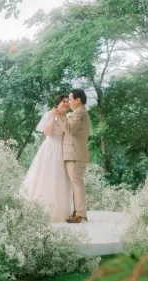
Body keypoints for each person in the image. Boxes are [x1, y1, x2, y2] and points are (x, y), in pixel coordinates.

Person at [21, 95, 73, 222]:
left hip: (62, 150)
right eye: (63, 102)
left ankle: (60, 210)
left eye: (67, 102)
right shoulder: (49, 114)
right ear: (57, 104)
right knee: (46, 176)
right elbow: (47, 133)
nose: (66, 104)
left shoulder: (66, 118)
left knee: (60, 178)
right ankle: (42, 209)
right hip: (49, 148)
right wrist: (55, 117)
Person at [52, 89, 91, 223]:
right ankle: (78, 212)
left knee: (77, 184)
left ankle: (80, 214)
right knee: (76, 184)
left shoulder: (79, 113)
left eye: (70, 99)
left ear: (77, 100)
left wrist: (59, 117)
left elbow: (69, 128)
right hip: (76, 153)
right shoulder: (79, 113)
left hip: (75, 154)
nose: (68, 102)